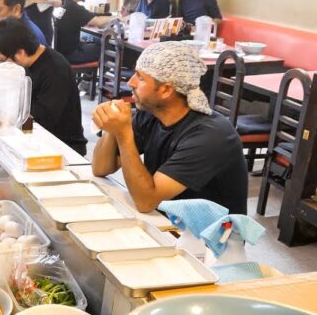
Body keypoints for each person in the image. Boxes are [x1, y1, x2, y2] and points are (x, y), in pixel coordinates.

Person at [91, 42, 247, 214]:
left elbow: (146, 202)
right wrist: (112, 127)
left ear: (166, 90)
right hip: (165, 219)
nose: (130, 82)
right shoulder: (151, 113)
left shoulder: (209, 136)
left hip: (206, 236)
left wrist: (123, 133)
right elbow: (100, 169)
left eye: (140, 77)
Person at [0, 18, 87, 156]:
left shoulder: (56, 69)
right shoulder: (24, 63)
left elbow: (43, 118)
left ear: (20, 53)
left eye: (1, 59)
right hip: (31, 137)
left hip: (63, 146)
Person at [54, 0, 113, 64]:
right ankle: (105, 78)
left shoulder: (64, 2)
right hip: (71, 54)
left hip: (59, 51)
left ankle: (89, 78)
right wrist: (119, 18)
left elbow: (89, 17)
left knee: (93, 43)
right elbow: (98, 22)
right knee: (108, 47)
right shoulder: (75, 8)